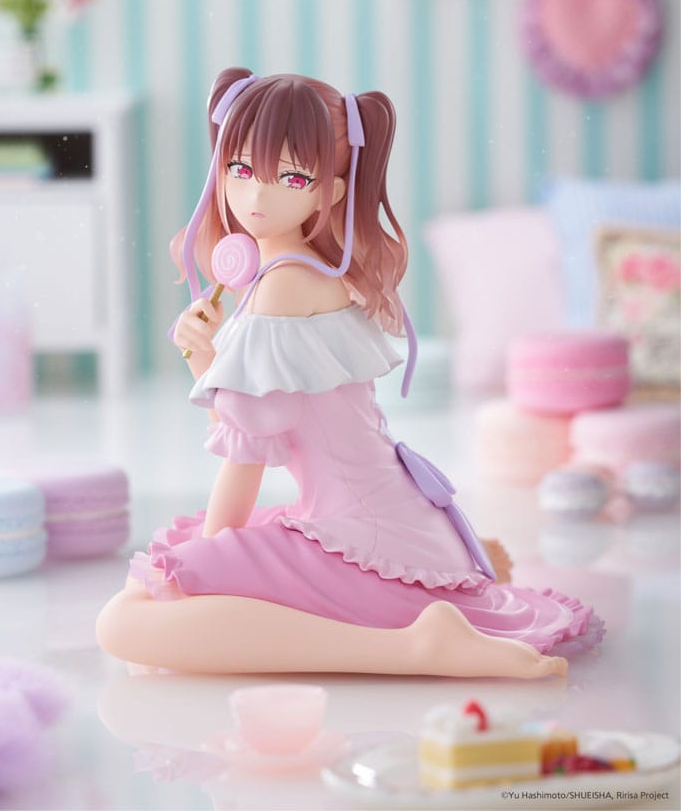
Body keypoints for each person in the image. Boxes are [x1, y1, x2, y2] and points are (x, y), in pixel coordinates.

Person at [96, 69, 601, 676]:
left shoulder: (283, 286)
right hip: (381, 518)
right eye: (240, 169)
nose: (256, 196)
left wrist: (204, 566)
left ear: (329, 194)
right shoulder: (301, 269)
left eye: (291, 178)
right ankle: (444, 587)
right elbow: (264, 422)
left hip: (361, 535)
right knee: (149, 584)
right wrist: (204, 358)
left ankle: (415, 647)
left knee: (125, 621)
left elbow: (248, 456)